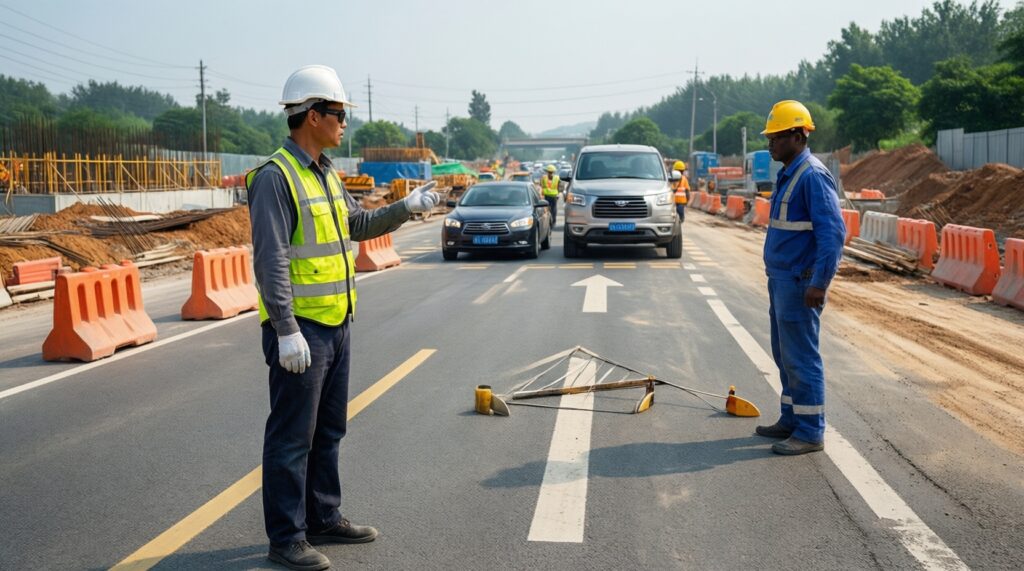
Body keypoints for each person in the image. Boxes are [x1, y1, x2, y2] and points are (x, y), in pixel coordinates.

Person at [247, 64, 441, 570]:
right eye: (337, 114)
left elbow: (357, 224)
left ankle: (323, 519)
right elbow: (270, 261)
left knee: (329, 432)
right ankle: (286, 539)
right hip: (301, 332)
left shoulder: (327, 172)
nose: (343, 123)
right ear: (312, 115)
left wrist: (407, 207)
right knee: (291, 438)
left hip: (337, 324)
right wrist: (286, 329)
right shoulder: (275, 177)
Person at [754, 100, 845, 456]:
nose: (770, 144)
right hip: (781, 279)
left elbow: (832, 234)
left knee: (801, 357)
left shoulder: (812, 176)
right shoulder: (790, 172)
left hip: (799, 281)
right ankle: (791, 418)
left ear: (797, 135)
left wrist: (819, 283)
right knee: (784, 353)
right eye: (770, 138)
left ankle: (810, 431)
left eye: (776, 137)